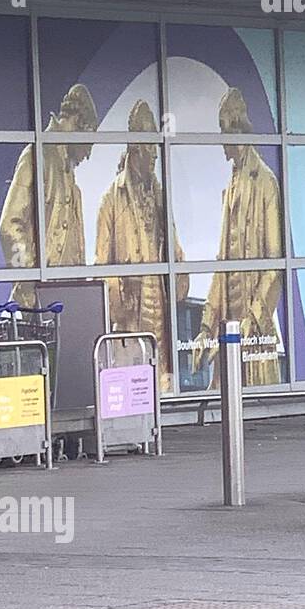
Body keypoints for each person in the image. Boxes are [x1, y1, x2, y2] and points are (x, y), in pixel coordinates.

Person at [94, 98, 189, 393]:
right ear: (135, 146)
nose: (154, 156)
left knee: (161, 384)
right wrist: (120, 309)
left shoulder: (161, 196)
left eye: (155, 149)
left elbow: (175, 248)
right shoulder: (111, 199)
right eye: (149, 147)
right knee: (131, 391)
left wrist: (180, 276)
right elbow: (102, 267)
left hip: (160, 312)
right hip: (130, 316)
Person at [192, 87, 284, 389]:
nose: (221, 141)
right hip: (229, 330)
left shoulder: (266, 183)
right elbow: (223, 265)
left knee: (259, 406)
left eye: (222, 131)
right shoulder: (230, 186)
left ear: (235, 128)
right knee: (222, 405)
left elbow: (274, 264)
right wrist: (206, 325)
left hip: (254, 333)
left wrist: (253, 319)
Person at [0, 82, 99, 304]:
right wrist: (28, 282)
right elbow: (9, 226)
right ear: (79, 124)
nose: (87, 155)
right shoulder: (38, 155)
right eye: (89, 144)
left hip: (68, 300)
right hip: (39, 302)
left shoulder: (69, 176)